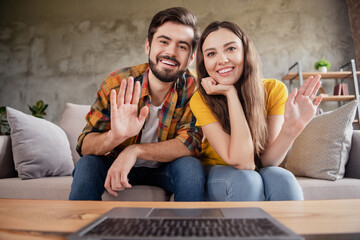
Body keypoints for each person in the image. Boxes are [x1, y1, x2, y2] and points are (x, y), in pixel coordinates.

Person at [69, 7, 205, 201]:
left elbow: (190, 144)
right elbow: (85, 145)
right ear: (148, 46)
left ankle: (189, 230)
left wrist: (134, 150)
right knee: (87, 164)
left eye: (182, 46)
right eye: (164, 42)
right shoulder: (116, 83)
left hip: (165, 168)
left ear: (191, 57)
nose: (171, 52)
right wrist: (115, 137)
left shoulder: (195, 88)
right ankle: (78, 229)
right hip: (115, 163)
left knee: (190, 167)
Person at [190, 21, 322, 201]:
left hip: (254, 169)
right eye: (211, 53)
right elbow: (242, 162)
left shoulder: (274, 90)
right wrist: (231, 94)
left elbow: (267, 161)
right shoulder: (201, 99)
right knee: (246, 180)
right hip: (218, 170)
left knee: (284, 179)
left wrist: (291, 129)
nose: (222, 59)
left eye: (230, 49)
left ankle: (289, 230)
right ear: (204, 63)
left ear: (245, 52)